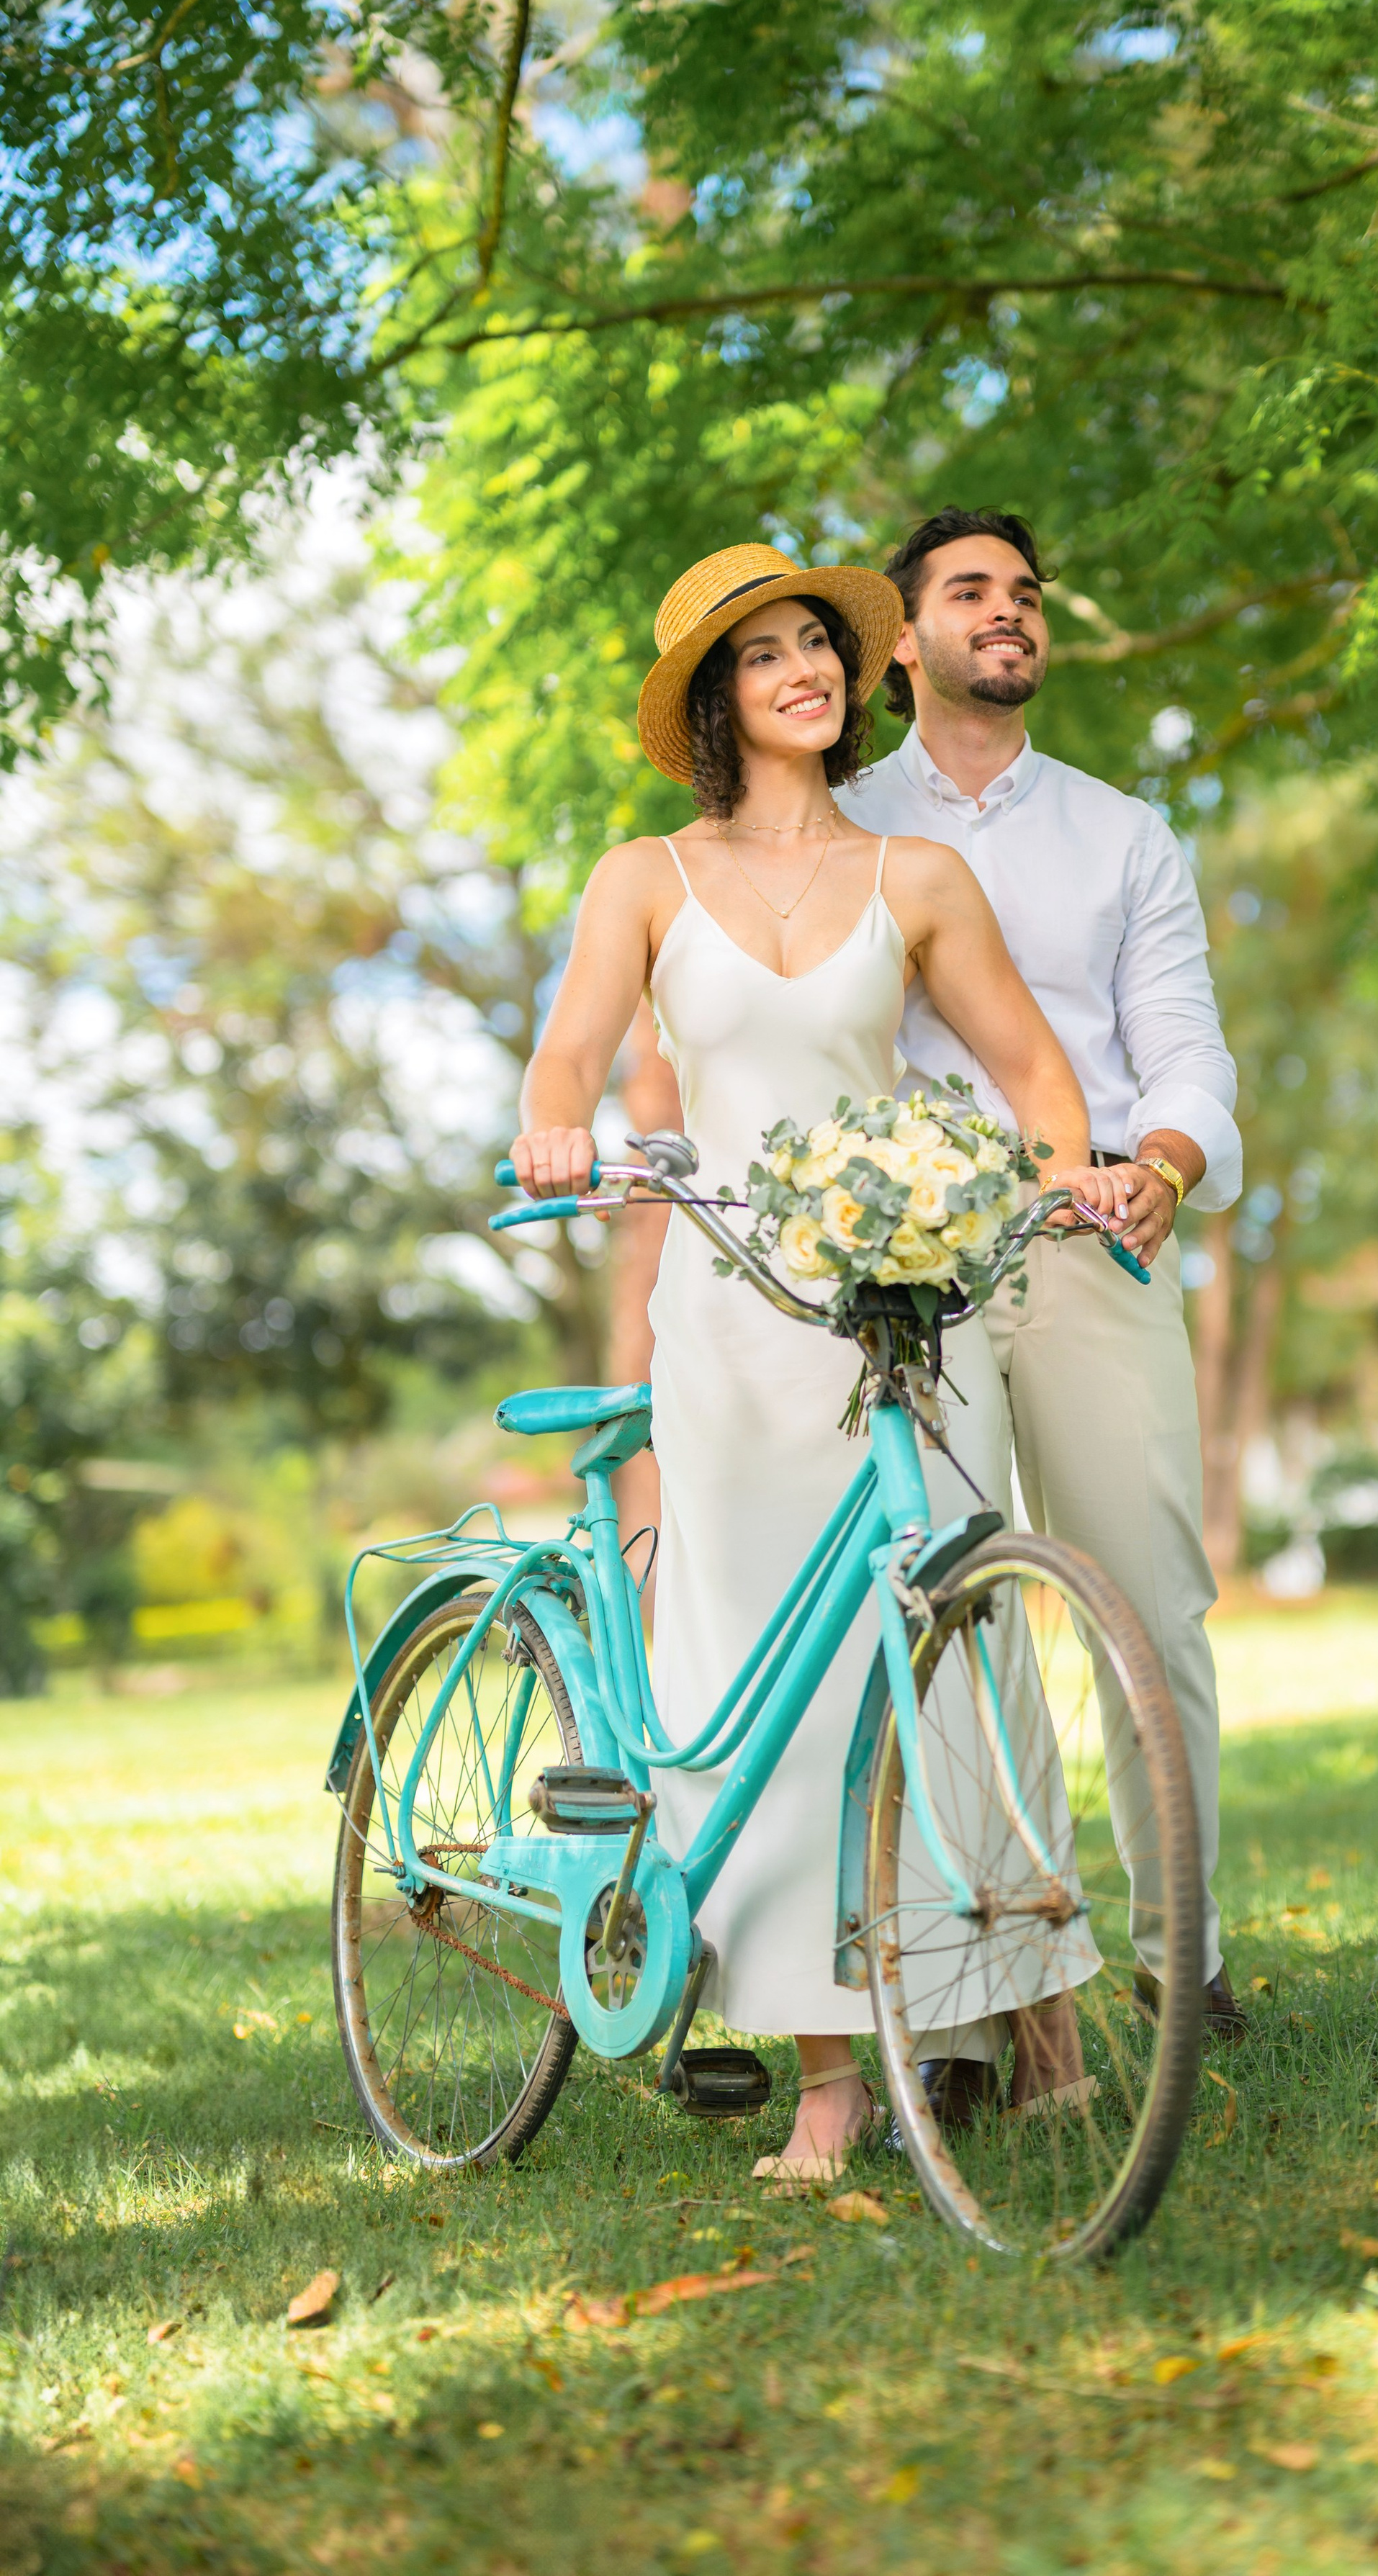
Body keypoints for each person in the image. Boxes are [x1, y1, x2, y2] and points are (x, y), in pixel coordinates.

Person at [510, 543, 1114, 2182]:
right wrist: (556, 1124)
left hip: (903, 1298)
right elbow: (571, 1046)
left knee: (949, 1653)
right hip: (731, 1315)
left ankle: (1011, 2001)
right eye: (764, 653)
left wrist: (1067, 1170)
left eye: (820, 648)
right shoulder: (645, 874)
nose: (805, 670)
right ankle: (832, 2074)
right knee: (756, 1689)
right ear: (716, 698)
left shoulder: (916, 877)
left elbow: (1030, 1071)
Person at [844, 507, 1246, 2097]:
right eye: (968, 592)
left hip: (1090, 1238)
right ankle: (958, 2010)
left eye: (1022, 595)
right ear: (899, 638)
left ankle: (1185, 1956)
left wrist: (1162, 1155)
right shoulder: (840, 824)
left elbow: (1185, 1046)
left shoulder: (1123, 832)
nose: (1006, 614)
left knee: (1148, 1600)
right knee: (938, 1621)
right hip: (902, 1274)